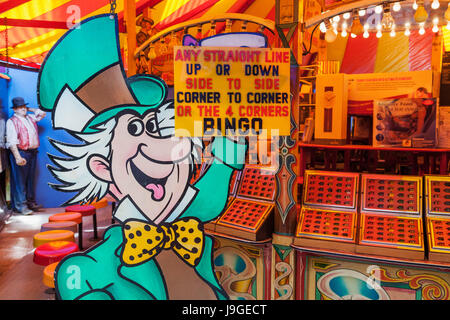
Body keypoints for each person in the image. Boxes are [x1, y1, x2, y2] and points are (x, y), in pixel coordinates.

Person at [37, 14, 248, 300]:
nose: (161, 143)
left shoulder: (190, 219)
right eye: (136, 129)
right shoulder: (88, 273)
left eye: (154, 126)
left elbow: (214, 186)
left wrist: (237, 113)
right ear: (101, 167)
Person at [6, 97, 46, 215]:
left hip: (32, 153)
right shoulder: (12, 121)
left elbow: (42, 114)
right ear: (15, 109)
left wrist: (29, 109)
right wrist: (18, 157)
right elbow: (12, 141)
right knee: (20, 181)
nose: (23, 109)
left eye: (24, 106)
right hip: (21, 152)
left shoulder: (30, 117)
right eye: (20, 107)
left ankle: (30, 203)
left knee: (29, 179)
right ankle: (21, 206)